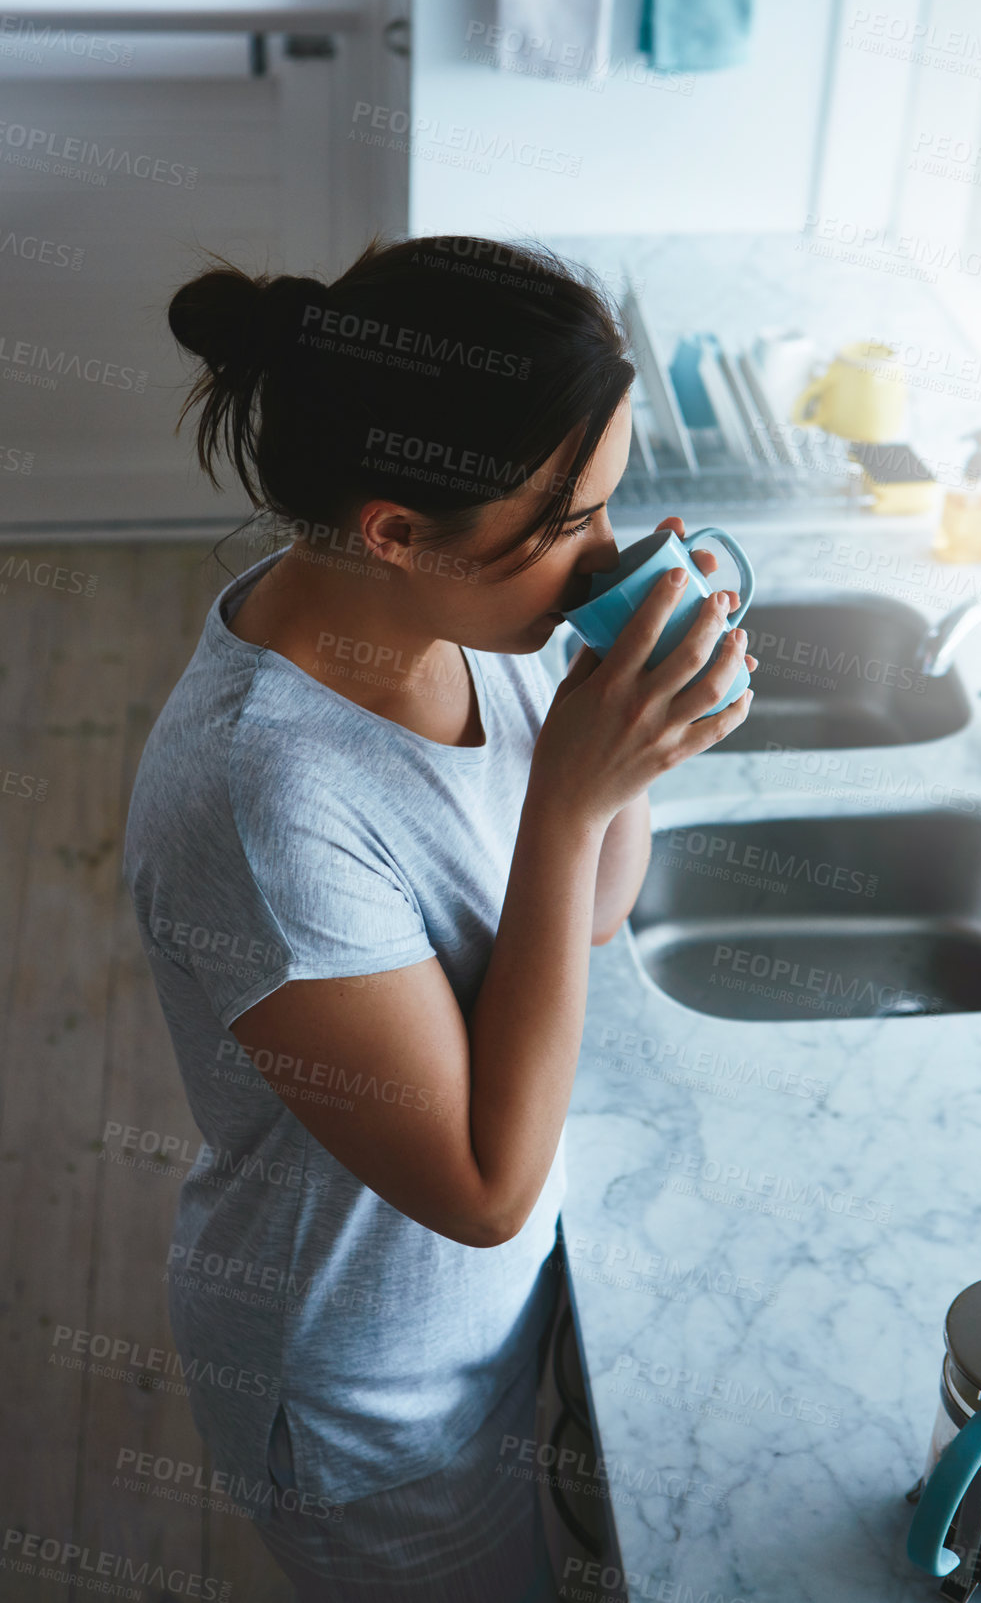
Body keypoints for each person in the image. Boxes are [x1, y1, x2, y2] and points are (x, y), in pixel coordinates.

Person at [122, 233, 756, 1601]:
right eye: (567, 528)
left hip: (488, 1320)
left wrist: (625, 745)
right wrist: (575, 801)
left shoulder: (481, 627)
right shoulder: (258, 806)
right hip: (371, 1398)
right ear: (395, 532)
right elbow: (480, 1185)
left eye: (610, 505)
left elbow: (582, 920)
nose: (601, 558)